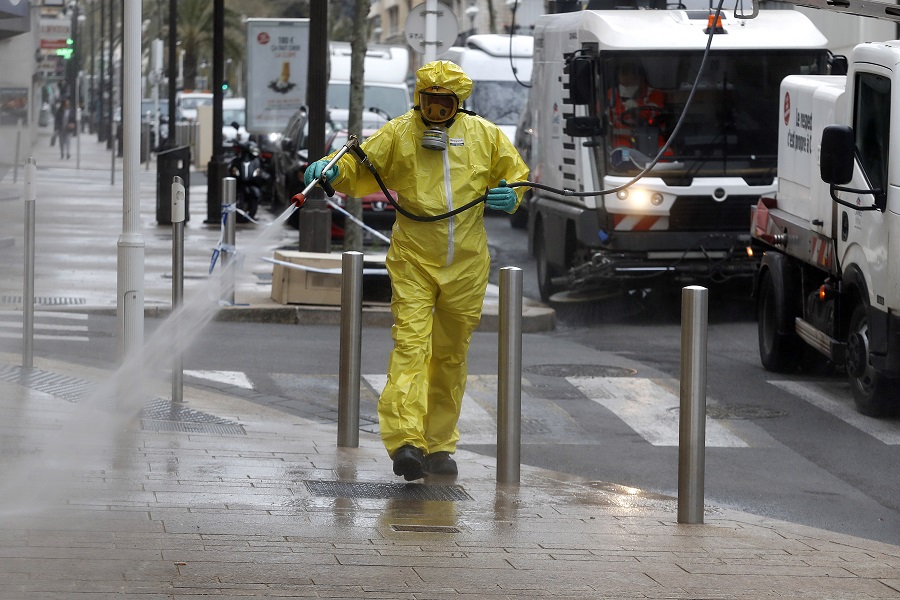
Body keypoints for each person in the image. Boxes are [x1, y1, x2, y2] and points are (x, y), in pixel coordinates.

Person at [304, 60, 529, 481]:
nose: (436, 112)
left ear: (458, 103)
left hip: (466, 264)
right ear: (418, 98)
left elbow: (515, 174)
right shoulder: (399, 134)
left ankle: (439, 444)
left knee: (450, 355)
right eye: (430, 102)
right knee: (411, 346)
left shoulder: (484, 136)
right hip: (414, 259)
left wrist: (512, 195)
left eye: (445, 104)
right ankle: (406, 440)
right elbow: (359, 166)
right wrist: (331, 171)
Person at [608, 61, 670, 155]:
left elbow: (654, 113)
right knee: (623, 157)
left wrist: (637, 108)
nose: (629, 77)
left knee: (667, 154)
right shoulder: (611, 94)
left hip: (652, 138)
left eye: (634, 73)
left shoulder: (654, 93)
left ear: (641, 76)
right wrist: (623, 108)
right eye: (624, 73)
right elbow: (603, 116)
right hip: (622, 139)